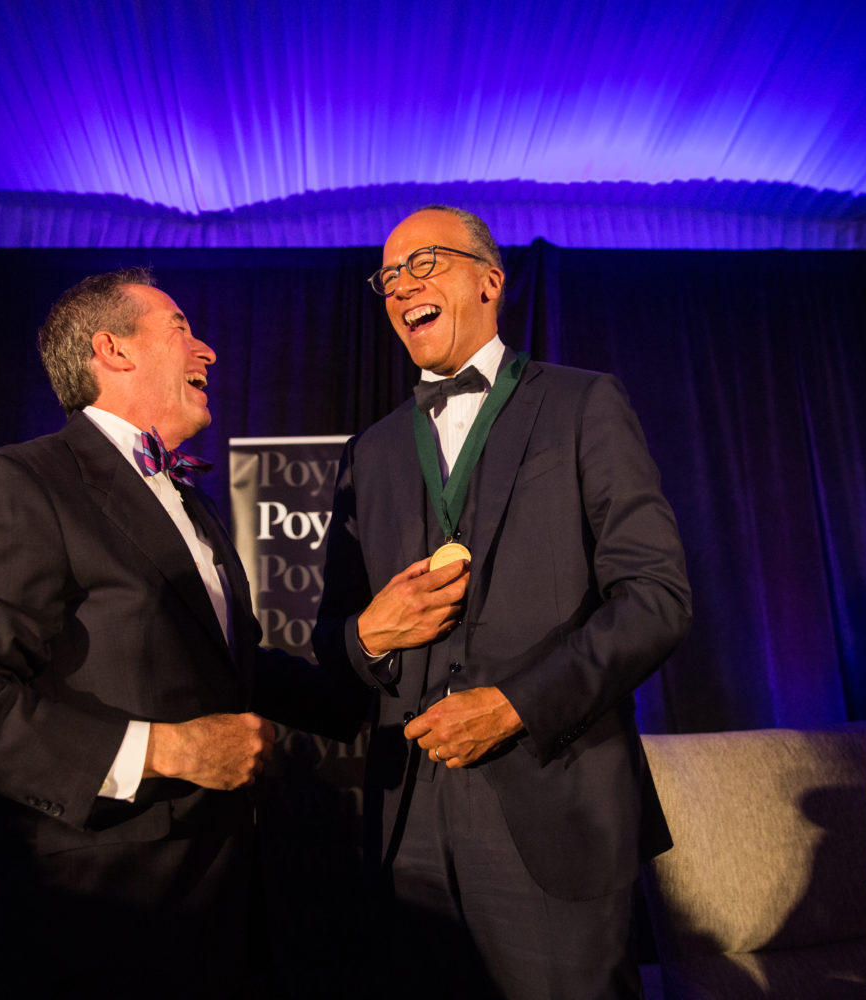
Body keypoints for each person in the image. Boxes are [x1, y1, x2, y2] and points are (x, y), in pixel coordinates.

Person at [0, 268, 352, 999]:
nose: (208, 350)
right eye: (181, 327)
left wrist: (378, 658)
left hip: (219, 912)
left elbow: (239, 671)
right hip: (89, 924)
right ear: (111, 351)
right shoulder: (18, 483)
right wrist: (164, 749)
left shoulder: (196, 506)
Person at [313, 207, 692, 999]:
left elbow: (655, 597)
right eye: (389, 275)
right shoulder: (370, 451)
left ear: (491, 280)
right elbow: (336, 641)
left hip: (554, 809)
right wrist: (369, 638)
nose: (402, 286)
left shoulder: (585, 404)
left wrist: (517, 704)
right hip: (406, 828)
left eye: (426, 264)